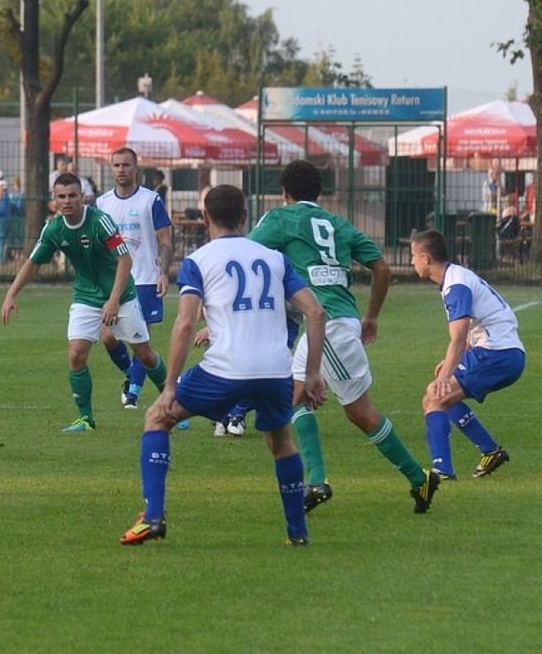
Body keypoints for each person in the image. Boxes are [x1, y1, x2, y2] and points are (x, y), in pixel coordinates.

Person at [120, 184, 327, 546]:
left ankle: (153, 517)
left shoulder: (199, 261)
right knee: (281, 442)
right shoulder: (274, 259)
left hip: (225, 369)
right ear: (245, 217)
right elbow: (315, 311)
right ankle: (298, 533)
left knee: (157, 417)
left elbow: (185, 324)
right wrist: (310, 374)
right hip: (276, 369)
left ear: (204, 219)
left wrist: (169, 385)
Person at [249, 160, 440, 514]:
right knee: (308, 396)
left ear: (285, 193)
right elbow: (381, 268)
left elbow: (245, 252)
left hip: (329, 323)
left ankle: (403, 477)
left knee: (337, 408)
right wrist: (371, 317)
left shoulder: (282, 218)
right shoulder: (338, 223)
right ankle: (327, 481)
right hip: (339, 319)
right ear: (319, 192)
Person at [1, 173, 169, 433]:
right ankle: (86, 419)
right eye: (61, 196)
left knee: (145, 354)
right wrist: (11, 293)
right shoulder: (54, 228)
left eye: (72, 195)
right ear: (54, 199)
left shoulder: (100, 221)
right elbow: (32, 262)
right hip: (86, 296)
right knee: (76, 354)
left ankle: (173, 406)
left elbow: (125, 261)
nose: (67, 201)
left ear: (81, 196)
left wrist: (113, 301)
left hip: (121, 294)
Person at [410, 229, 523, 479]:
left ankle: (442, 470)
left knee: (434, 397)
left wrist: (447, 374)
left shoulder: (455, 285)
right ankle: (490, 450)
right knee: (445, 397)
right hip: (505, 353)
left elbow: (459, 338)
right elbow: (478, 326)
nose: (411, 261)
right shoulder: (456, 277)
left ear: (426, 257)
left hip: (497, 354)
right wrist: (451, 364)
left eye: (413, 255)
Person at [94, 147, 173, 411]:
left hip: (146, 279)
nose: (121, 170)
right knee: (107, 337)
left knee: (142, 342)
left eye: (126, 165)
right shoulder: (103, 203)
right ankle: (131, 374)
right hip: (114, 282)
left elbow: (165, 241)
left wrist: (163, 272)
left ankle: (133, 395)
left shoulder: (151, 200)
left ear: (135, 168)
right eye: (116, 165)